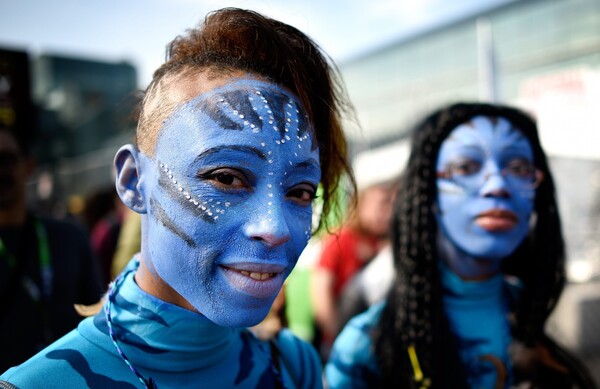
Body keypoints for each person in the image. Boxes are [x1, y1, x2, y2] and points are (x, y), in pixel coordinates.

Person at [1, 7, 354, 388]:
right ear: (134, 181)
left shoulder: (291, 365)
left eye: (300, 191)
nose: (274, 228)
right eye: (226, 177)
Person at [325, 103, 597, 388]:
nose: (497, 185)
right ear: (426, 192)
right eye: (466, 167)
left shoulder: (534, 313)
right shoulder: (368, 342)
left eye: (518, 167)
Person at [0, 127, 104, 372]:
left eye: (7, 160)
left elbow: (97, 317)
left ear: (28, 166)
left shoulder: (69, 237)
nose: (1, 171)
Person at [311, 177, 395, 360]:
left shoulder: (386, 245)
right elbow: (320, 291)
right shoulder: (339, 239)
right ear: (361, 204)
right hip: (342, 343)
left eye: (391, 205)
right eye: (382, 204)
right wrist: (337, 335)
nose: (387, 212)